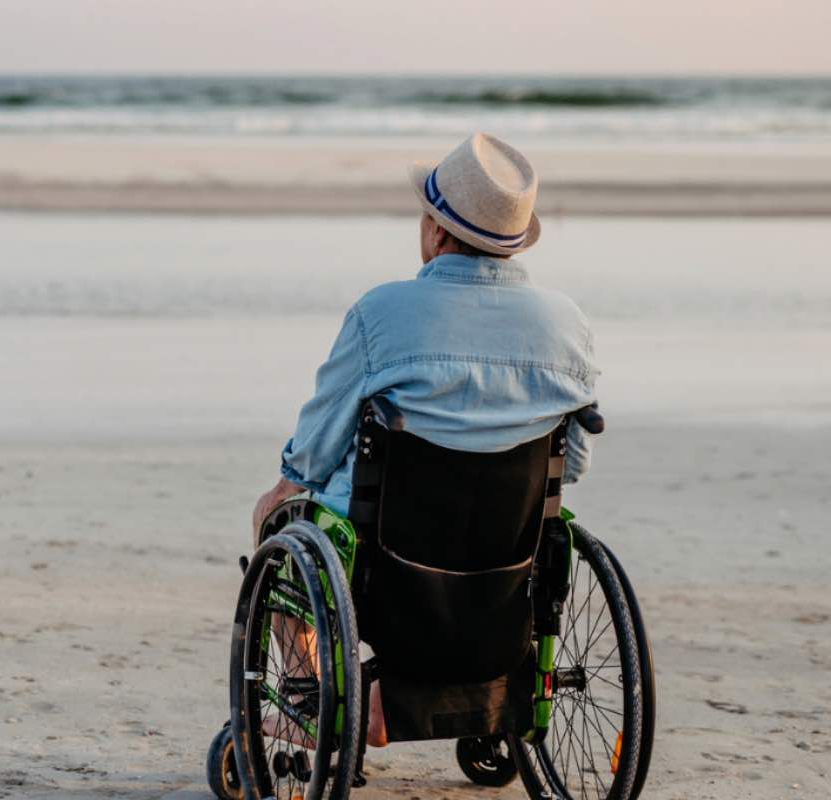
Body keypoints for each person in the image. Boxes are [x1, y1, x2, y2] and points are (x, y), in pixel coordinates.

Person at [251, 132, 599, 747]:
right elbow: (570, 464)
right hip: (507, 560)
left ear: (437, 232)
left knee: (278, 520)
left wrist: (286, 487)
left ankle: (310, 703)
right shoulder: (566, 324)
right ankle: (433, 701)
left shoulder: (382, 314)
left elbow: (316, 446)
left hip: (393, 564)